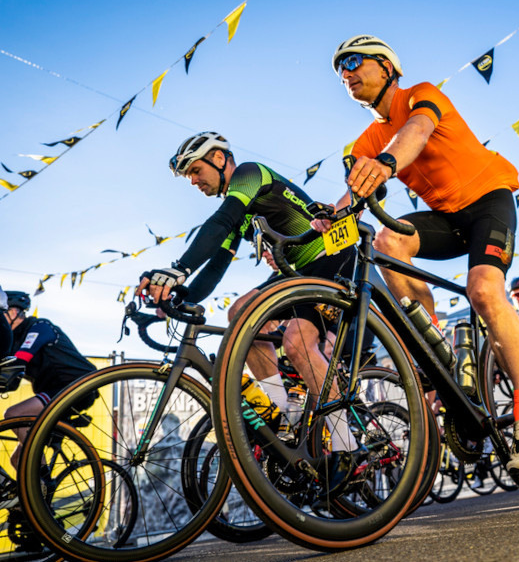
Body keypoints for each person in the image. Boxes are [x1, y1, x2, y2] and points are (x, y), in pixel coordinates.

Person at [325, 35, 519, 474]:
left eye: (352, 61)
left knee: (483, 291)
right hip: (447, 218)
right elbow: (350, 196)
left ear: (387, 67)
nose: (345, 73)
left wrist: (386, 165)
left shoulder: (420, 94)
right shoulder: (364, 140)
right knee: (389, 241)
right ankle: (439, 352)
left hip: (489, 202)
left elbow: (417, 131)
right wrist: (322, 223)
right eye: (338, 71)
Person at [135, 132, 357, 449]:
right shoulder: (239, 213)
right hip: (294, 273)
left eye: (195, 171)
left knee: (297, 344)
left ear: (219, 158)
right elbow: (214, 267)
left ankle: (346, 444)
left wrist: (177, 270)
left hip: (329, 259)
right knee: (240, 314)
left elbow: (220, 222)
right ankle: (286, 418)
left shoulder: (249, 174)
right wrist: (175, 300)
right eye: (189, 176)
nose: (193, 181)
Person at [0, 291, 97, 508]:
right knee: (17, 460)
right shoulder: (13, 340)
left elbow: (22, 358)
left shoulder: (40, 326)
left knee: (14, 414)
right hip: (54, 391)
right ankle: (40, 509)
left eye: (2, 315)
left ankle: (42, 483)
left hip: (74, 386)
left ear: (15, 312)